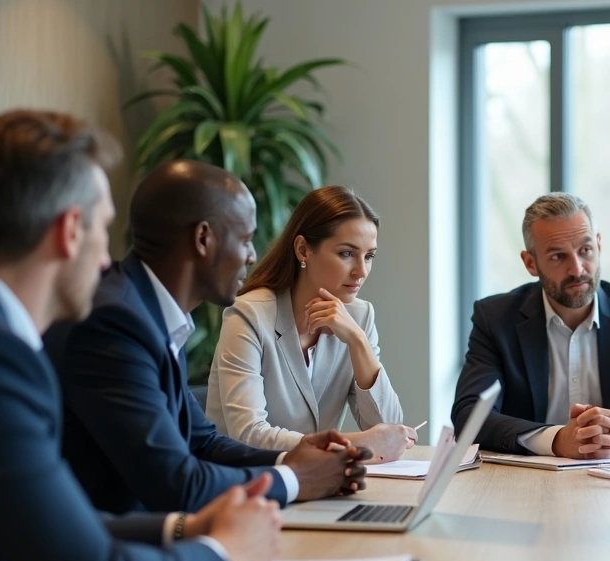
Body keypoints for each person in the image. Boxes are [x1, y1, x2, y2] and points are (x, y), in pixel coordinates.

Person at [0, 109, 280, 561]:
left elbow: (51, 518)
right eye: (103, 228)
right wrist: (226, 555)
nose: (108, 261)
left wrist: (184, 528)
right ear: (70, 231)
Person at [46, 159, 372, 516]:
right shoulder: (117, 322)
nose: (251, 256)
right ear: (203, 239)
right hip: (116, 552)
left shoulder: (149, 312)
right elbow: (176, 483)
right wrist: (295, 479)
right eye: (245, 239)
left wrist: (293, 456)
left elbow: (203, 442)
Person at [451, 192, 610, 457]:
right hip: (526, 483)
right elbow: (470, 416)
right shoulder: (496, 318)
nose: (577, 269)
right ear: (530, 263)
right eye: (558, 256)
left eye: (585, 250)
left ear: (599, 245)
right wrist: (557, 440)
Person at [206, 185, 412, 463]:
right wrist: (352, 443)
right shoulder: (248, 315)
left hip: (317, 486)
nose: (361, 271)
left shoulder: (360, 317)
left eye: (369, 256)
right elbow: (248, 434)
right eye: (347, 254)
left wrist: (358, 341)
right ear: (303, 249)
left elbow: (388, 429)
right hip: (247, 484)